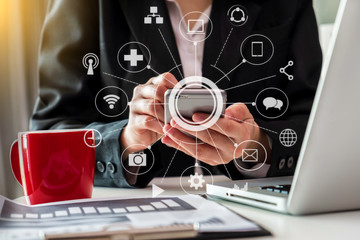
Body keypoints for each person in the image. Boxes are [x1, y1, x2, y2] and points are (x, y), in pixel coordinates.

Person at [30, 0, 322, 188]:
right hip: (132, 216)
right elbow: (48, 137)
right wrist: (125, 142)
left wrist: (259, 146)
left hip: (262, 211)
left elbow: (320, 122)